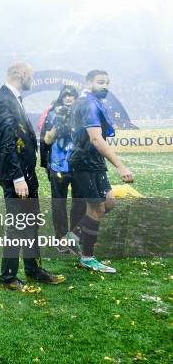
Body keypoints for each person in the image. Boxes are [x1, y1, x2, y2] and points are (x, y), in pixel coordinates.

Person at [0, 62, 66, 290]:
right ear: (21, 74)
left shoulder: (12, 98)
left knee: (30, 222)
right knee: (18, 225)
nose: (31, 79)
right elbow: (6, 142)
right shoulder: (3, 100)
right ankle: (8, 278)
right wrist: (17, 177)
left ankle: (33, 269)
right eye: (30, 75)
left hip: (24, 173)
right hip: (17, 175)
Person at [69, 70, 134, 273]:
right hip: (85, 163)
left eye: (107, 82)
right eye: (100, 82)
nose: (105, 85)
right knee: (96, 210)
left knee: (109, 203)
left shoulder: (92, 101)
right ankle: (87, 258)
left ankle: (71, 237)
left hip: (94, 162)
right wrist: (120, 166)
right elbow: (96, 139)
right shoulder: (87, 103)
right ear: (89, 83)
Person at [39, 85, 85, 253]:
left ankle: (74, 237)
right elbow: (47, 140)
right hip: (58, 165)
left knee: (79, 203)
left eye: (71, 95)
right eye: (65, 95)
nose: (68, 98)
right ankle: (61, 239)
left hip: (79, 166)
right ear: (61, 97)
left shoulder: (83, 113)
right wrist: (58, 122)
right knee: (58, 204)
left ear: (75, 97)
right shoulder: (52, 114)